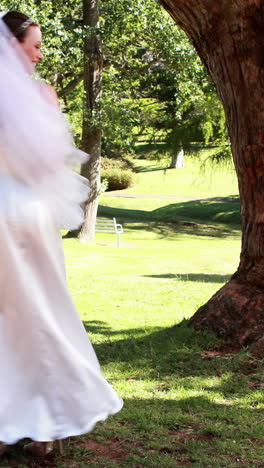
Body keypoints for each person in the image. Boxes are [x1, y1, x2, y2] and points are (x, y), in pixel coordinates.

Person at [0, 11, 123, 457]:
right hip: (26, 214)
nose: (39, 53)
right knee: (42, 311)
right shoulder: (40, 96)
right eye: (33, 45)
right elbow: (48, 164)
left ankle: (9, 423)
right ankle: (47, 426)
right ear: (12, 45)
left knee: (8, 317)